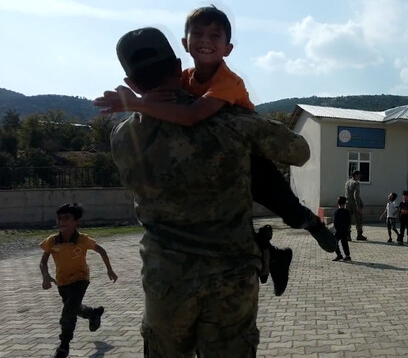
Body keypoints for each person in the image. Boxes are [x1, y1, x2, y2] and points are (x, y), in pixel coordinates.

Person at [94, 8, 336, 289]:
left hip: (252, 161)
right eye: (197, 34)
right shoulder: (187, 80)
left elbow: (191, 115)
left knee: (288, 208)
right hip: (231, 269)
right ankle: (271, 253)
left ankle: (311, 225)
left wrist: (136, 103)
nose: (205, 41)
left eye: (214, 36)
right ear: (181, 54)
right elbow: (299, 151)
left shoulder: (126, 137)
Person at [106, 27, 312, 355]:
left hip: (166, 280)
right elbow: (299, 151)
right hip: (231, 279)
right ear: (179, 67)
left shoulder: (122, 137)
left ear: (131, 84)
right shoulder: (230, 120)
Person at [39, 203, 118, 358]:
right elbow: (43, 261)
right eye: (59, 218)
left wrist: (110, 269)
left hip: (81, 279)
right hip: (62, 281)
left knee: (68, 313)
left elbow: (101, 250)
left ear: (77, 221)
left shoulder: (83, 240)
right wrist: (45, 276)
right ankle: (93, 313)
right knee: (74, 308)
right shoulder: (52, 241)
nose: (62, 221)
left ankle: (64, 346)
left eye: (66, 218)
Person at [344, 170, 366, 241]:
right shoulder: (356, 183)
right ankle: (359, 235)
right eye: (359, 175)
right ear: (356, 175)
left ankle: (347, 236)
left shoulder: (347, 183)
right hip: (354, 204)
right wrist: (358, 206)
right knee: (359, 219)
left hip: (347, 203)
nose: (359, 177)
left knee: (348, 220)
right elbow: (356, 195)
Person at [331, 196, 352, 261]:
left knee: (334, 242)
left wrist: (336, 229)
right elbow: (349, 221)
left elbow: (335, 222)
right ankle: (347, 255)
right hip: (345, 230)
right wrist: (347, 228)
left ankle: (339, 255)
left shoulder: (337, 212)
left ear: (338, 203)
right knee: (344, 242)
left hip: (339, 230)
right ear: (345, 204)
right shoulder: (347, 212)